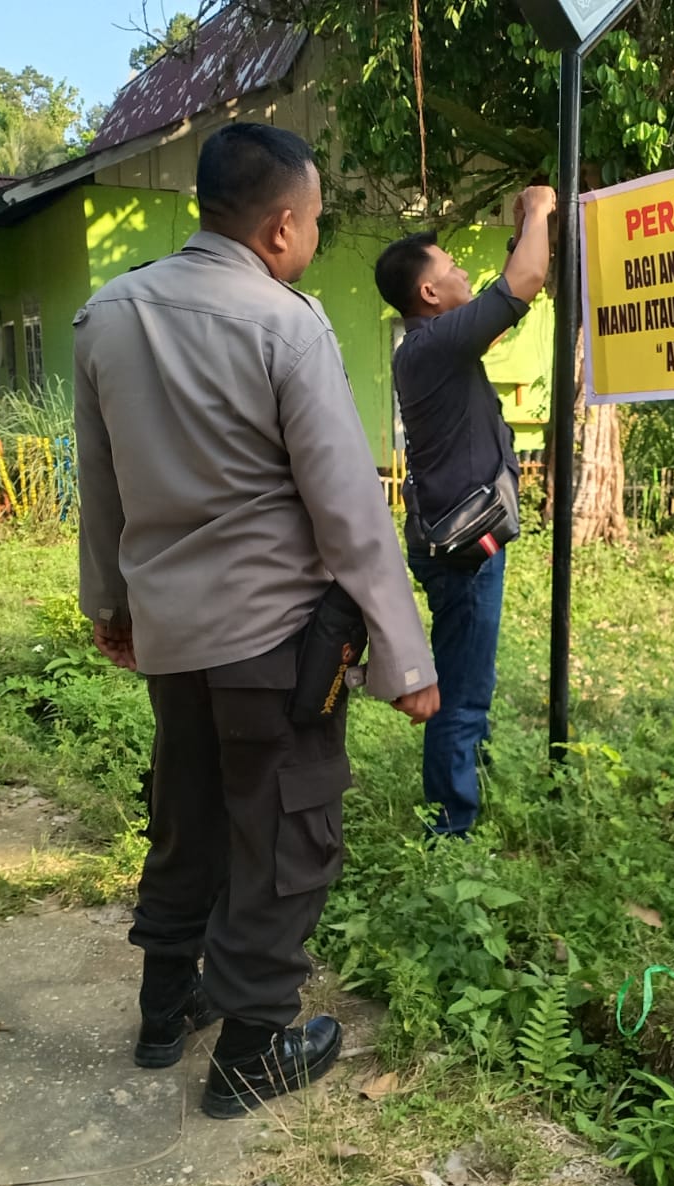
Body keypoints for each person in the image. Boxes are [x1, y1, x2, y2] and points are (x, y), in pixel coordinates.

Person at [75, 121, 440, 1118]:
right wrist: (406, 658)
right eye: (316, 222)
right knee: (287, 835)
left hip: (169, 639)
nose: (313, 239)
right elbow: (349, 509)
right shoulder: (285, 323)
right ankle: (250, 1049)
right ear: (281, 227)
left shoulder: (105, 315)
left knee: (186, 815)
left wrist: (107, 604)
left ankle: (164, 1011)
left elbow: (100, 486)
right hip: (273, 644)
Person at [372, 185, 556, 837]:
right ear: (427, 293)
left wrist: (525, 236)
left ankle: (463, 798)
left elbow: (511, 298)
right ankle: (450, 830)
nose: (462, 274)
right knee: (463, 691)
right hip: (464, 548)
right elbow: (521, 284)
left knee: (470, 678)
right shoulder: (434, 347)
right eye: (450, 268)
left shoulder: (432, 348)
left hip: (458, 538)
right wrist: (537, 209)